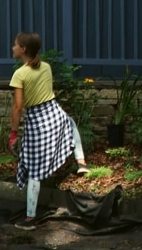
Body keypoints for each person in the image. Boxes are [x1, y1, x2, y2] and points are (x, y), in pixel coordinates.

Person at [7, 31, 86, 223]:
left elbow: (18, 108)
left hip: (37, 118)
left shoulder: (20, 74)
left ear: (23, 49)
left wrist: (13, 133)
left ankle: (29, 218)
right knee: (71, 124)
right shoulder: (46, 67)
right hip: (54, 111)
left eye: (15, 45)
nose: (12, 47)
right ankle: (82, 162)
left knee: (34, 170)